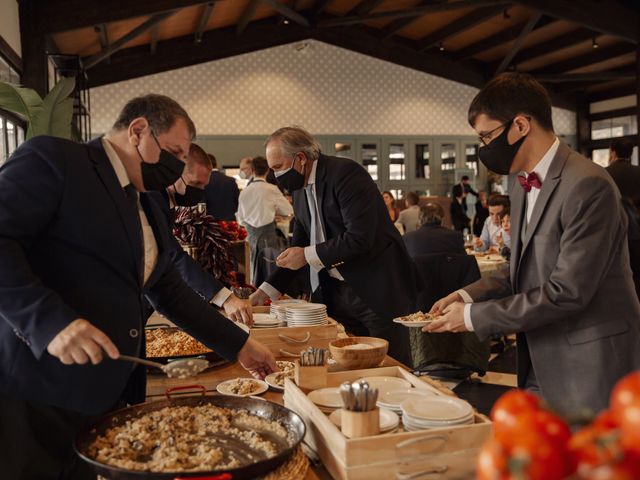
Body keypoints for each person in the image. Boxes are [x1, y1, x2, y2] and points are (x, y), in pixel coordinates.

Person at [0, 94, 276, 479]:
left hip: (109, 390)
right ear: (138, 130)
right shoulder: (56, 160)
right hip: (40, 389)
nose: (178, 165)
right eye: (176, 152)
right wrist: (49, 322)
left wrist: (239, 344)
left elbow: (167, 288)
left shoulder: (146, 201)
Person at [424, 73, 640, 418]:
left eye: (487, 136)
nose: (484, 148)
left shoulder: (588, 185)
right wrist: (466, 296)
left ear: (520, 125)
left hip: (589, 359)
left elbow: (568, 291)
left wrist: (472, 317)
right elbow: (522, 268)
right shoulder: (519, 183)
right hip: (540, 353)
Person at [249, 127, 417, 366]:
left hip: (375, 288)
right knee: (348, 366)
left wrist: (306, 255)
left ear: (300, 158)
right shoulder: (298, 191)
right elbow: (299, 246)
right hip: (335, 292)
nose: (275, 176)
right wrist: (266, 291)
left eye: (278, 167)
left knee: (391, 365)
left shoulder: (346, 173)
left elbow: (359, 238)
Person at [147, 143, 254, 325]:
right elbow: (172, 254)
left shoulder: (167, 199)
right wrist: (225, 298)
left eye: (203, 186)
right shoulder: (152, 197)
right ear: (175, 173)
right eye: (195, 183)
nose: (199, 191)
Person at [236, 155, 293, 283]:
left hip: (250, 236)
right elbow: (289, 210)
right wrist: (274, 211)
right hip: (268, 235)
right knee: (270, 269)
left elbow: (240, 219)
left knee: (251, 270)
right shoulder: (271, 189)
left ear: (252, 170)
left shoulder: (245, 191)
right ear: (268, 170)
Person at [606, 138, 640, 297]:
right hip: (637, 231)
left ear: (612, 152)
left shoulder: (604, 173)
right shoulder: (638, 172)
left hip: (611, 231)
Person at [204, 153, 240, 221]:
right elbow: (237, 202)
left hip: (212, 224)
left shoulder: (204, 182)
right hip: (230, 223)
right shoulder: (231, 181)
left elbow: (202, 205)